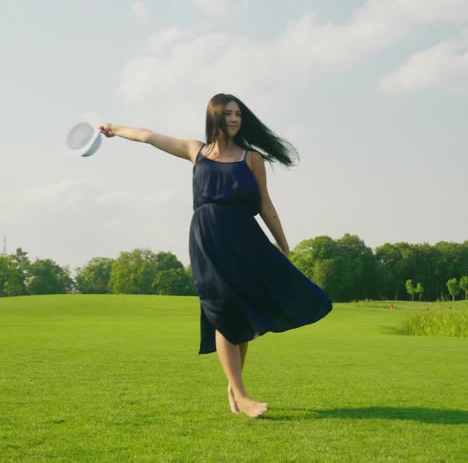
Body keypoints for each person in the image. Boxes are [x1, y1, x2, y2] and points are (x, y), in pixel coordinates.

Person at [99, 93, 333, 418]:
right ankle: (241, 394)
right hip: (208, 239)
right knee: (223, 310)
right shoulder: (197, 152)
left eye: (238, 114)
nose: (235, 119)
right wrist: (114, 128)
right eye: (228, 114)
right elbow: (149, 137)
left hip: (245, 239)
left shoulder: (251, 159)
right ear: (215, 118)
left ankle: (235, 389)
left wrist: (283, 243)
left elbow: (265, 203)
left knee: (243, 314)